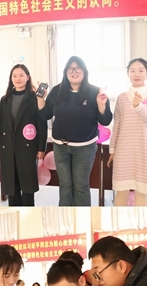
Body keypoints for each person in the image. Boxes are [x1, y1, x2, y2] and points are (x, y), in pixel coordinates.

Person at [38, 56, 113, 206]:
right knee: (65, 185)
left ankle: (82, 218)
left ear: (84, 71)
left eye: (78, 68)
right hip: (60, 146)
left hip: (84, 148)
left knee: (81, 186)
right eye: (70, 68)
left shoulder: (94, 92)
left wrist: (101, 104)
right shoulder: (57, 90)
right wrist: (40, 98)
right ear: (66, 72)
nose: (74, 71)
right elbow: (45, 115)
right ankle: (65, 218)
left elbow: (105, 120)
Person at [108, 58, 147, 206]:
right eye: (132, 71)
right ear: (128, 74)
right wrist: (112, 150)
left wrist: (138, 106)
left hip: (144, 150)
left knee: (141, 193)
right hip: (123, 151)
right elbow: (117, 125)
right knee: (121, 192)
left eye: (140, 70)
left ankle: (141, 221)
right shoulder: (121, 98)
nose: (137, 74)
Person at [0, 64, 47, 206]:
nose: (18, 78)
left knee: (27, 187)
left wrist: (41, 148)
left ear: (27, 77)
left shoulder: (34, 98)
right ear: (11, 79)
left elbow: (42, 124)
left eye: (21, 75)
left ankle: (28, 213)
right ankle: (14, 211)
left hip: (28, 148)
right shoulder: (5, 99)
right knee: (11, 186)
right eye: (14, 76)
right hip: (8, 148)